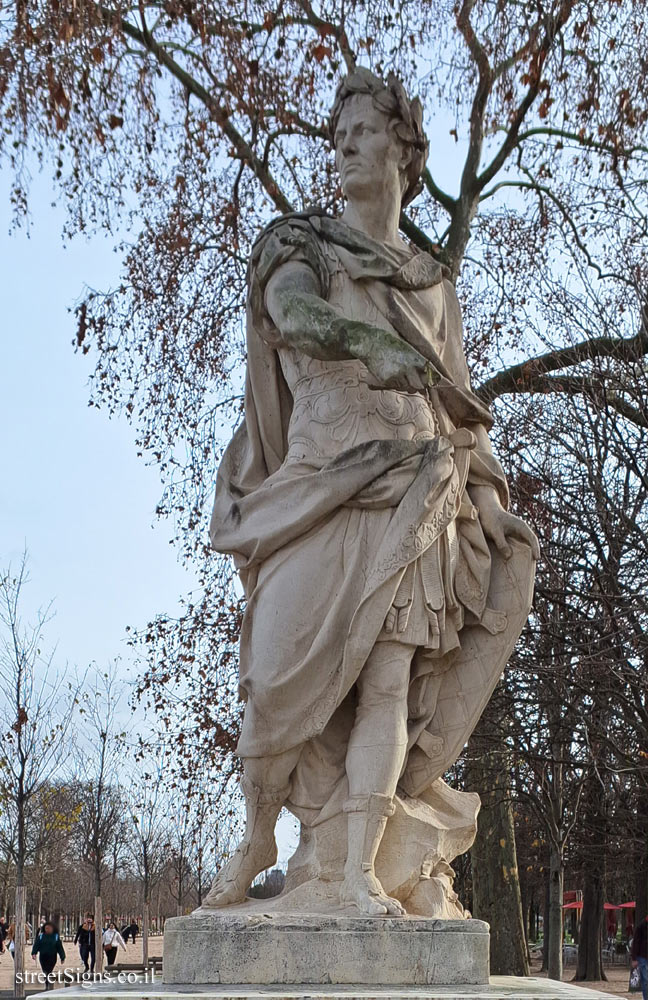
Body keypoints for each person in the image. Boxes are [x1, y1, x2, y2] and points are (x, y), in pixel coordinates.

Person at [206, 67, 538, 915]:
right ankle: (258, 834)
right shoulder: (301, 245)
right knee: (275, 674)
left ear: (403, 150)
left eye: (360, 129)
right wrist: (369, 343)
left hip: (417, 492)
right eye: (338, 133)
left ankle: (355, 871)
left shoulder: (433, 283)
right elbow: (294, 317)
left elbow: (464, 413)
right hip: (320, 483)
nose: (343, 143)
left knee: (388, 684)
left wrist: (491, 506)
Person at [31, 921, 65, 991]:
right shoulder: (41, 936)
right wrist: (34, 953)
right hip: (43, 957)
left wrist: (62, 957)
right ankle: (47, 984)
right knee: (44, 970)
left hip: (52, 956)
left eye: (49, 928)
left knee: (49, 970)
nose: (47, 930)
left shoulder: (55, 937)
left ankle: (49, 982)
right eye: (46, 928)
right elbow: (36, 945)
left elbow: (59, 947)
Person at [631, 912, 648, 1000]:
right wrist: (634, 958)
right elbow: (636, 943)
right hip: (642, 957)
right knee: (645, 981)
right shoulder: (641, 926)